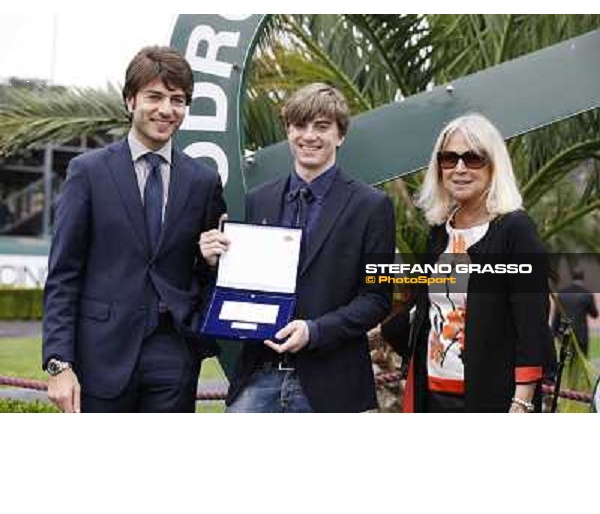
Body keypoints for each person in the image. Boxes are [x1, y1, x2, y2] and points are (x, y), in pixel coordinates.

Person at [42, 46, 226, 413]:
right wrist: (59, 364)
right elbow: (63, 275)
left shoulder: (204, 181)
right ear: (130, 101)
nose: (166, 109)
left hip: (174, 356)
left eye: (177, 100)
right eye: (154, 97)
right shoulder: (87, 172)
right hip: (100, 355)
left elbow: (209, 269)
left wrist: (209, 263)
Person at [200, 83, 396, 412]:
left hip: (332, 384)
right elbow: (244, 284)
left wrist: (315, 330)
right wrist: (213, 260)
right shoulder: (258, 200)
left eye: (321, 126)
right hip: (257, 378)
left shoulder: (372, 206)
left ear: (340, 135)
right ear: (288, 131)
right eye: (299, 126)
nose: (309, 136)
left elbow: (376, 298)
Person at [383, 113, 553, 413]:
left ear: (494, 166)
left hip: (491, 398)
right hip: (429, 393)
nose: (459, 168)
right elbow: (424, 308)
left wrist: (521, 402)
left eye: (472, 158)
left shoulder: (515, 230)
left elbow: (531, 325)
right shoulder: (439, 232)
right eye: (449, 159)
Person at [551, 268, 598, 357]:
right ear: (583, 277)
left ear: (572, 277)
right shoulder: (587, 294)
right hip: (581, 334)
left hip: (564, 333)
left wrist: (554, 333)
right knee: (581, 360)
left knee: (565, 360)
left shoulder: (561, 293)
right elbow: (594, 314)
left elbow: (556, 315)